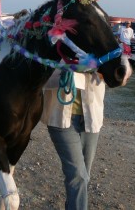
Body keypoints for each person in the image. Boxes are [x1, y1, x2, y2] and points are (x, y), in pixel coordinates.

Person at [41, 72, 105, 210]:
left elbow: (119, 78)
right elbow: (41, 79)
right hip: (60, 118)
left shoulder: (103, 51)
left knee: (83, 176)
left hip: (92, 118)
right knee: (78, 176)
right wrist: (72, 77)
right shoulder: (57, 51)